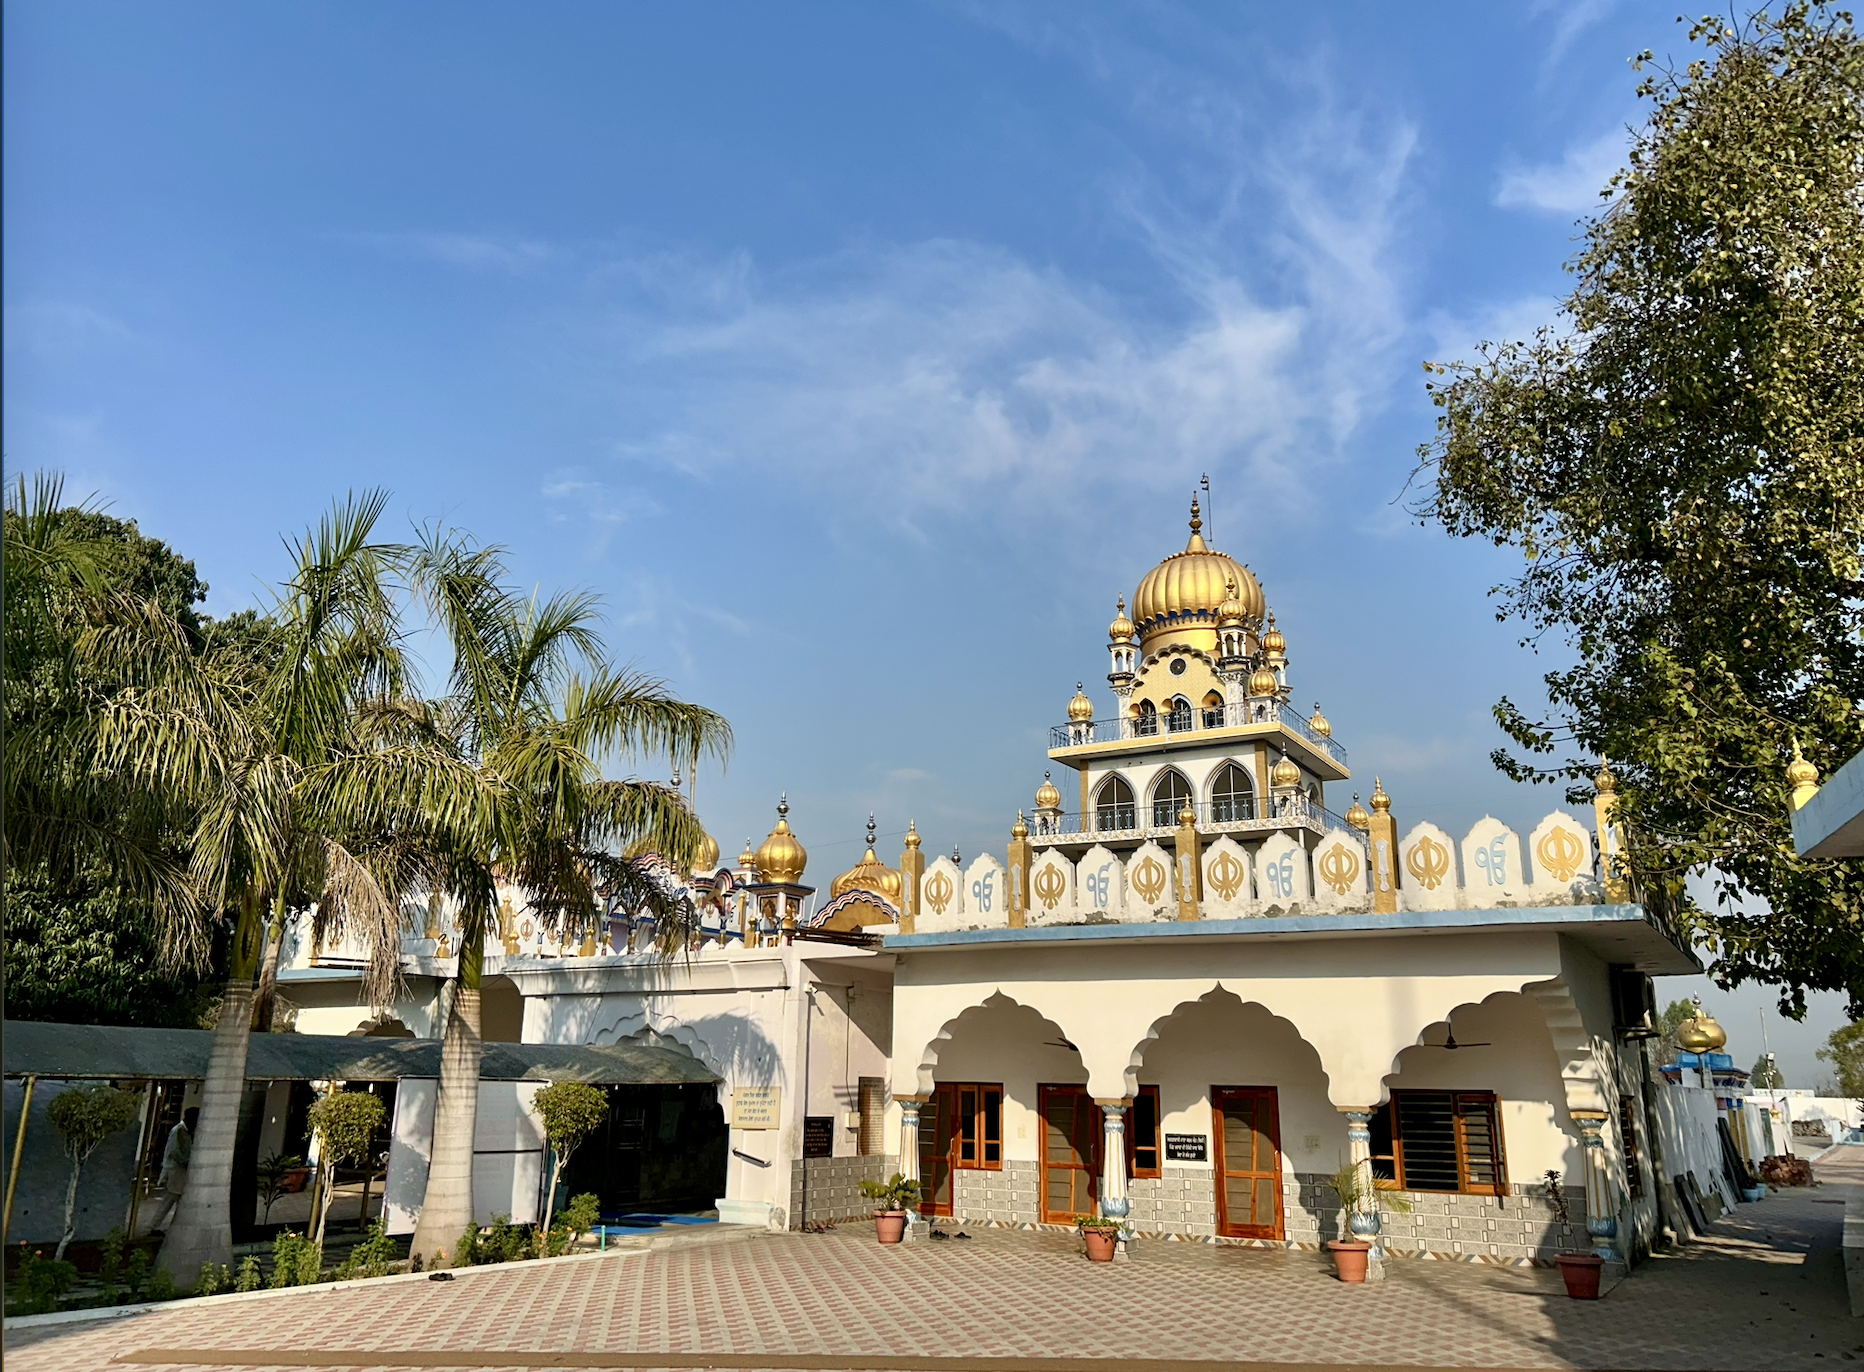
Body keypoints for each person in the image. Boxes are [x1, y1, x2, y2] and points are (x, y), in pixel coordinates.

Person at [147, 1106, 198, 1235]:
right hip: (176, 1171)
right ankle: (154, 1227)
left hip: (179, 1172)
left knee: (175, 1201)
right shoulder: (179, 1131)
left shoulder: (186, 1132)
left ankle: (163, 1226)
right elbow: (175, 1152)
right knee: (171, 1200)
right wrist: (188, 1164)